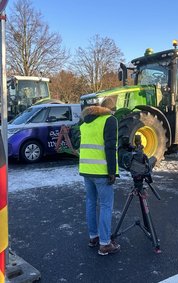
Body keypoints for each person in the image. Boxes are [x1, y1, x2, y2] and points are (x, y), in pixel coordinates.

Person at [79, 97, 120, 256]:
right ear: (111, 109)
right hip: (101, 170)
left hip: (86, 169)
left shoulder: (85, 122)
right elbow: (110, 146)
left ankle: (93, 237)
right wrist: (111, 171)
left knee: (90, 202)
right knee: (105, 205)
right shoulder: (109, 120)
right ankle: (105, 244)